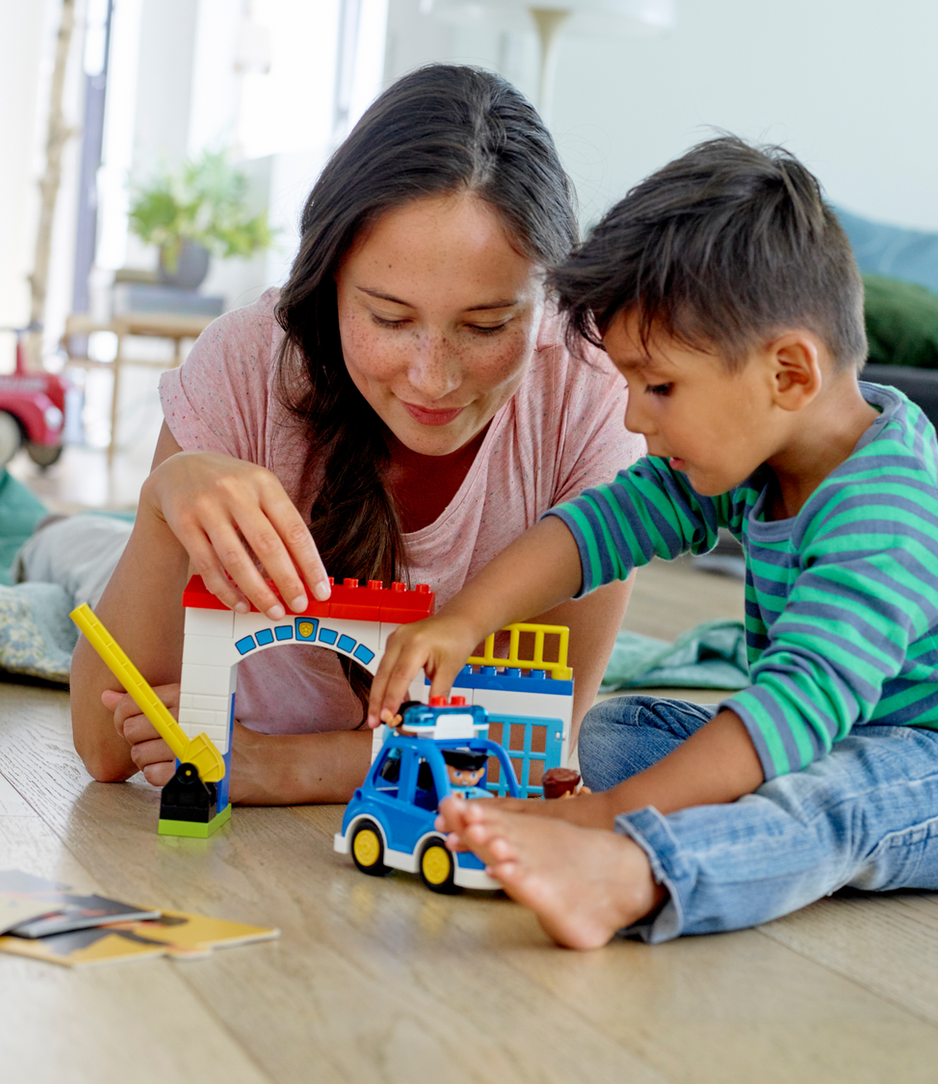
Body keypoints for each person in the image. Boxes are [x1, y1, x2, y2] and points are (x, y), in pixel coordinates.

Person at [367, 137, 938, 950]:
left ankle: (633, 877)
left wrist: (604, 821)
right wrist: (462, 622)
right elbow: (597, 528)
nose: (636, 418)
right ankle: (717, 837)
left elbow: (794, 703)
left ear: (788, 373)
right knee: (619, 731)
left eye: (660, 387)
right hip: (845, 733)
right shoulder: (761, 451)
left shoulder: (891, 513)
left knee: (835, 797)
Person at [68, 65, 644, 804]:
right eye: (390, 319)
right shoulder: (247, 361)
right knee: (68, 554)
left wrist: (287, 765)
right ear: (331, 278)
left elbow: (542, 738)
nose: (432, 379)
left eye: (487, 325)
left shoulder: (590, 392)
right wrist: (157, 506)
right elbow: (103, 746)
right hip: (108, 554)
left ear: (549, 297)